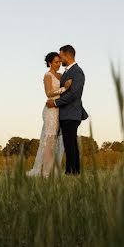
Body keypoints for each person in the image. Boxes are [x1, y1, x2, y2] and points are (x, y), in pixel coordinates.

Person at [46, 44, 86, 175]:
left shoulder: (77, 72)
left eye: (61, 56)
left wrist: (56, 103)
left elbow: (73, 94)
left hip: (72, 114)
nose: (60, 59)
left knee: (69, 145)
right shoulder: (67, 72)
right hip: (65, 114)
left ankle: (70, 171)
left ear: (67, 56)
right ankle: (75, 171)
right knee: (71, 143)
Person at [26, 52, 67, 177]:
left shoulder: (62, 75)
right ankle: (45, 172)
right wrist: (64, 88)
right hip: (51, 111)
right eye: (56, 62)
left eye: (60, 61)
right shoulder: (47, 75)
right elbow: (49, 93)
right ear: (50, 63)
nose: (58, 64)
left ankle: (54, 169)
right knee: (49, 140)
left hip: (60, 109)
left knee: (58, 140)